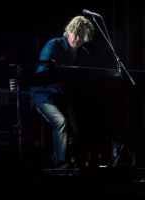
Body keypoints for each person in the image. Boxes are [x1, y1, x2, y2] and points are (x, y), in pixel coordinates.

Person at [30, 16, 95, 169]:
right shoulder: (53, 45)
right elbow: (41, 76)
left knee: (74, 130)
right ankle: (61, 166)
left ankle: (54, 163)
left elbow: (83, 81)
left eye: (82, 35)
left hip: (62, 97)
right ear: (69, 32)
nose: (78, 38)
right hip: (43, 94)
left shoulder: (84, 55)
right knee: (61, 122)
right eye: (76, 34)